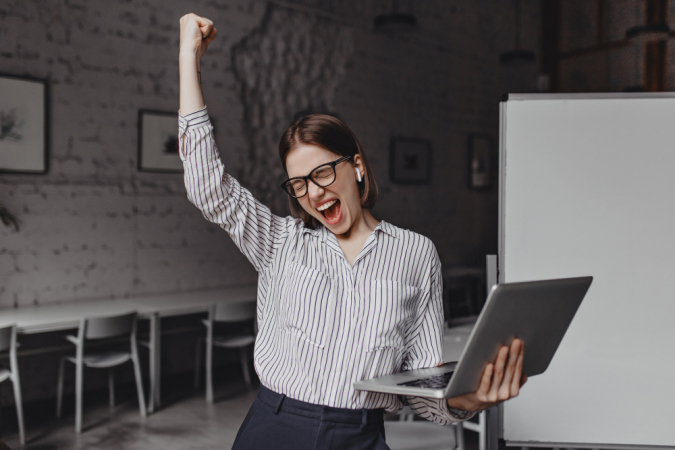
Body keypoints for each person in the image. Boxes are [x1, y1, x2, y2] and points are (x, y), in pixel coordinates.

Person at [178, 13, 526, 450]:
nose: (313, 192)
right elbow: (209, 189)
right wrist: (188, 56)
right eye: (299, 183)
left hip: (361, 435)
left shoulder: (416, 254)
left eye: (323, 172)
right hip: (276, 427)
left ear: (356, 166)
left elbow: (422, 392)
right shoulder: (280, 242)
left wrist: (468, 398)